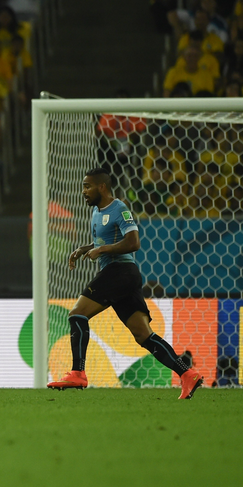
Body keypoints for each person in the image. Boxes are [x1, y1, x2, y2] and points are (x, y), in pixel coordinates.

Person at [48, 168, 203, 399]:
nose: (84, 192)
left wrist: (102, 250)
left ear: (102, 187)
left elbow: (133, 242)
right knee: (144, 335)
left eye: (88, 186)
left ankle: (78, 372)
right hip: (122, 277)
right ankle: (187, 374)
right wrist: (86, 248)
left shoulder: (120, 209)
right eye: (83, 187)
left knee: (77, 315)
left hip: (120, 272)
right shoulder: (96, 213)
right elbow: (104, 241)